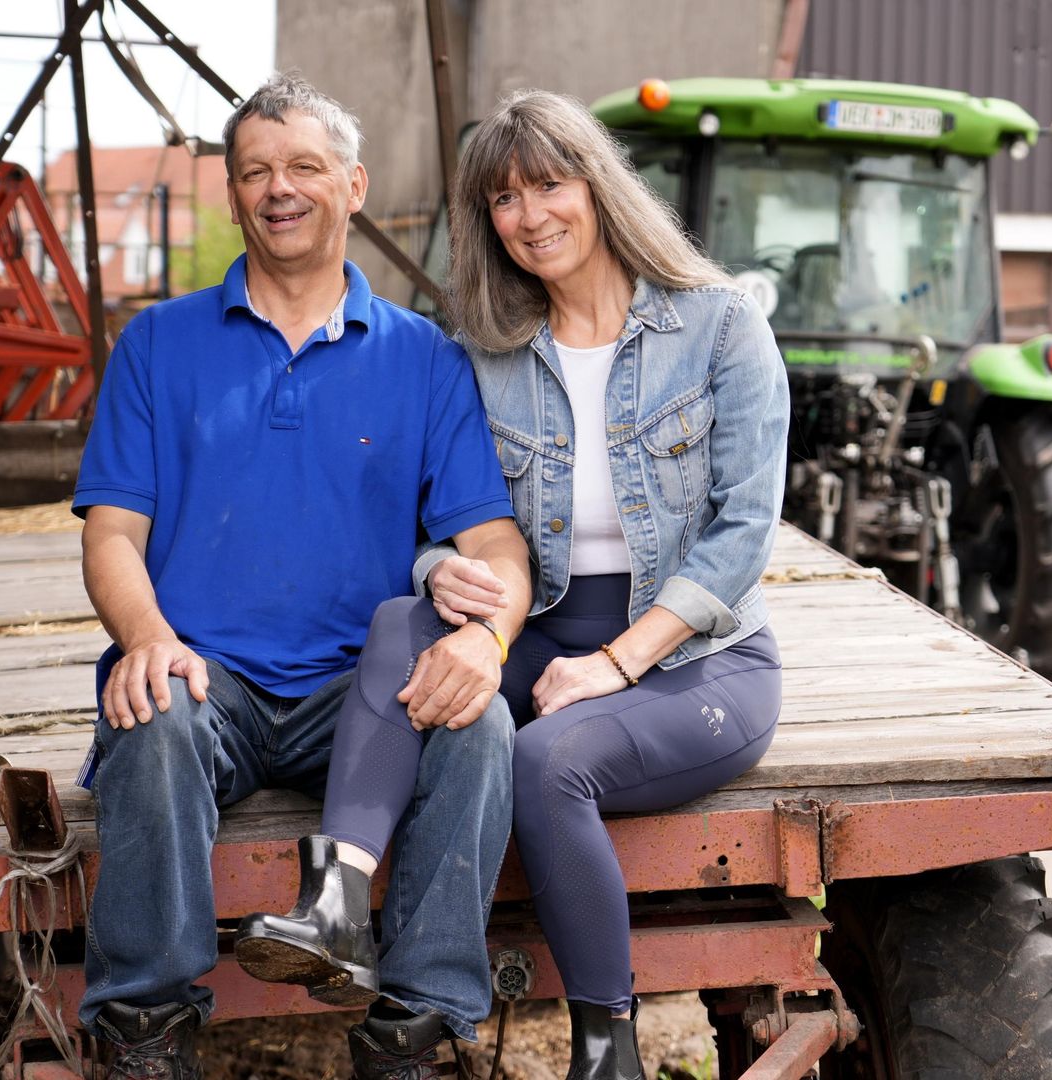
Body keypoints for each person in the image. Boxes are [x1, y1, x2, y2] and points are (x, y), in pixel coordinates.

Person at [245, 87, 790, 1080]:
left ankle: (605, 1051)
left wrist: (616, 665)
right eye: (503, 199)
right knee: (403, 621)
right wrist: (443, 570)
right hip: (539, 629)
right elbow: (428, 523)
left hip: (697, 661)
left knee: (547, 764)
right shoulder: (487, 353)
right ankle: (336, 904)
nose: (529, 215)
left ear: (600, 187)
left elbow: (744, 532)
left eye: (548, 184)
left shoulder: (718, 327)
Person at [73, 72, 530, 1080]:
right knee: (150, 717)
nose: (281, 189)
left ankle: (412, 1033)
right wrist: (149, 638)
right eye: (256, 172)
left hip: (360, 697)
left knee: (482, 723)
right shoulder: (157, 345)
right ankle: (146, 1032)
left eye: (305, 168)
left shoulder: (425, 358)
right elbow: (111, 535)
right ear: (234, 195)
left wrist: (484, 641)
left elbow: (497, 549)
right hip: (208, 676)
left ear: (354, 185)